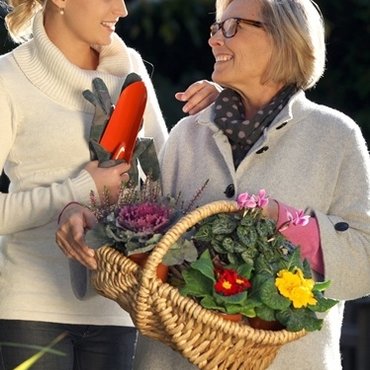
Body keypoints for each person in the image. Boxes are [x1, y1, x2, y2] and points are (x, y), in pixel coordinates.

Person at [57, 0, 370, 369]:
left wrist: (280, 220)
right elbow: (145, 247)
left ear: (284, 38)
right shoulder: (188, 134)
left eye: (232, 26)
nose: (215, 41)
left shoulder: (335, 137)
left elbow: (363, 261)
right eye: (215, 29)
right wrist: (88, 219)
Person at [0, 0, 220, 369]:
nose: (122, 9)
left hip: (119, 310)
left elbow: (165, 186)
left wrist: (214, 115)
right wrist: (78, 189)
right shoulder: (8, 79)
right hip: (32, 309)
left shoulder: (130, 69)